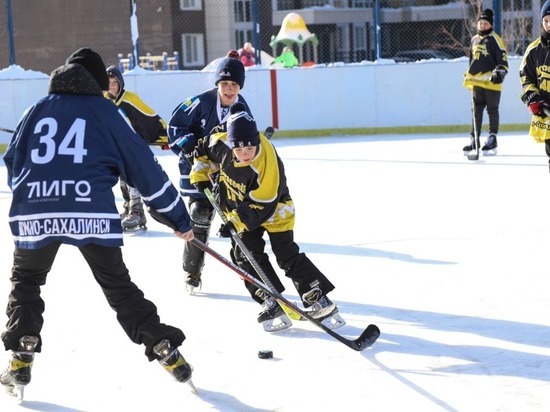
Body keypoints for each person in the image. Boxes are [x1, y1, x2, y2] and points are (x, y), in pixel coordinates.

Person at [0, 48, 196, 398]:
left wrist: (32, 196)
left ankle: (22, 349)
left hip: (35, 212)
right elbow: (144, 167)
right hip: (91, 213)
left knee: (26, 281)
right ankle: (163, 345)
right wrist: (176, 218)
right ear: (94, 80)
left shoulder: (35, 110)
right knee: (120, 289)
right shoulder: (106, 112)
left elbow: (12, 159)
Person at [189, 102, 342, 332]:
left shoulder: (265, 160)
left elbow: (263, 201)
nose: (245, 154)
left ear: (257, 141)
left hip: (274, 210)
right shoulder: (220, 143)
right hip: (239, 209)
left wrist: (235, 222)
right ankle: (270, 300)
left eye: (250, 148)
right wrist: (199, 173)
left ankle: (316, 297)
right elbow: (201, 149)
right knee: (245, 256)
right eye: (239, 150)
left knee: (286, 254)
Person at [168, 50, 252, 292]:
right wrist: (188, 145)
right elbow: (176, 123)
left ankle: (249, 271)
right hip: (198, 168)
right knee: (200, 215)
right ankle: (192, 271)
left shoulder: (242, 107)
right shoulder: (200, 102)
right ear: (217, 84)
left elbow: (246, 138)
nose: (228, 89)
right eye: (224, 83)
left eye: (233, 84)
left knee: (238, 221)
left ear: (240, 86)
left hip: (226, 171)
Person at [106, 65, 169, 231]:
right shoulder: (103, 100)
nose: (111, 86)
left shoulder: (129, 99)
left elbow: (149, 116)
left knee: (130, 176)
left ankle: (136, 210)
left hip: (132, 145)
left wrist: (165, 135)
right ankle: (128, 208)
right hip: (116, 147)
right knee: (121, 179)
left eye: (115, 82)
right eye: (108, 82)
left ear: (121, 83)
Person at [462, 8, 508, 155]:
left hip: (491, 83)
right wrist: (469, 73)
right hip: (477, 83)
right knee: (476, 110)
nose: (482, 25)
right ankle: (474, 138)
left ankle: (492, 137)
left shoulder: (495, 39)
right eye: (480, 23)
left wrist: (500, 71)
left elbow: (502, 58)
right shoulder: (474, 40)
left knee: (492, 109)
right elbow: (472, 60)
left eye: (485, 23)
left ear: (491, 24)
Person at [520, 0, 550, 171]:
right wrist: (531, 98)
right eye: (546, 21)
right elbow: (525, 78)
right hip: (547, 112)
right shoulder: (534, 50)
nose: (549, 24)